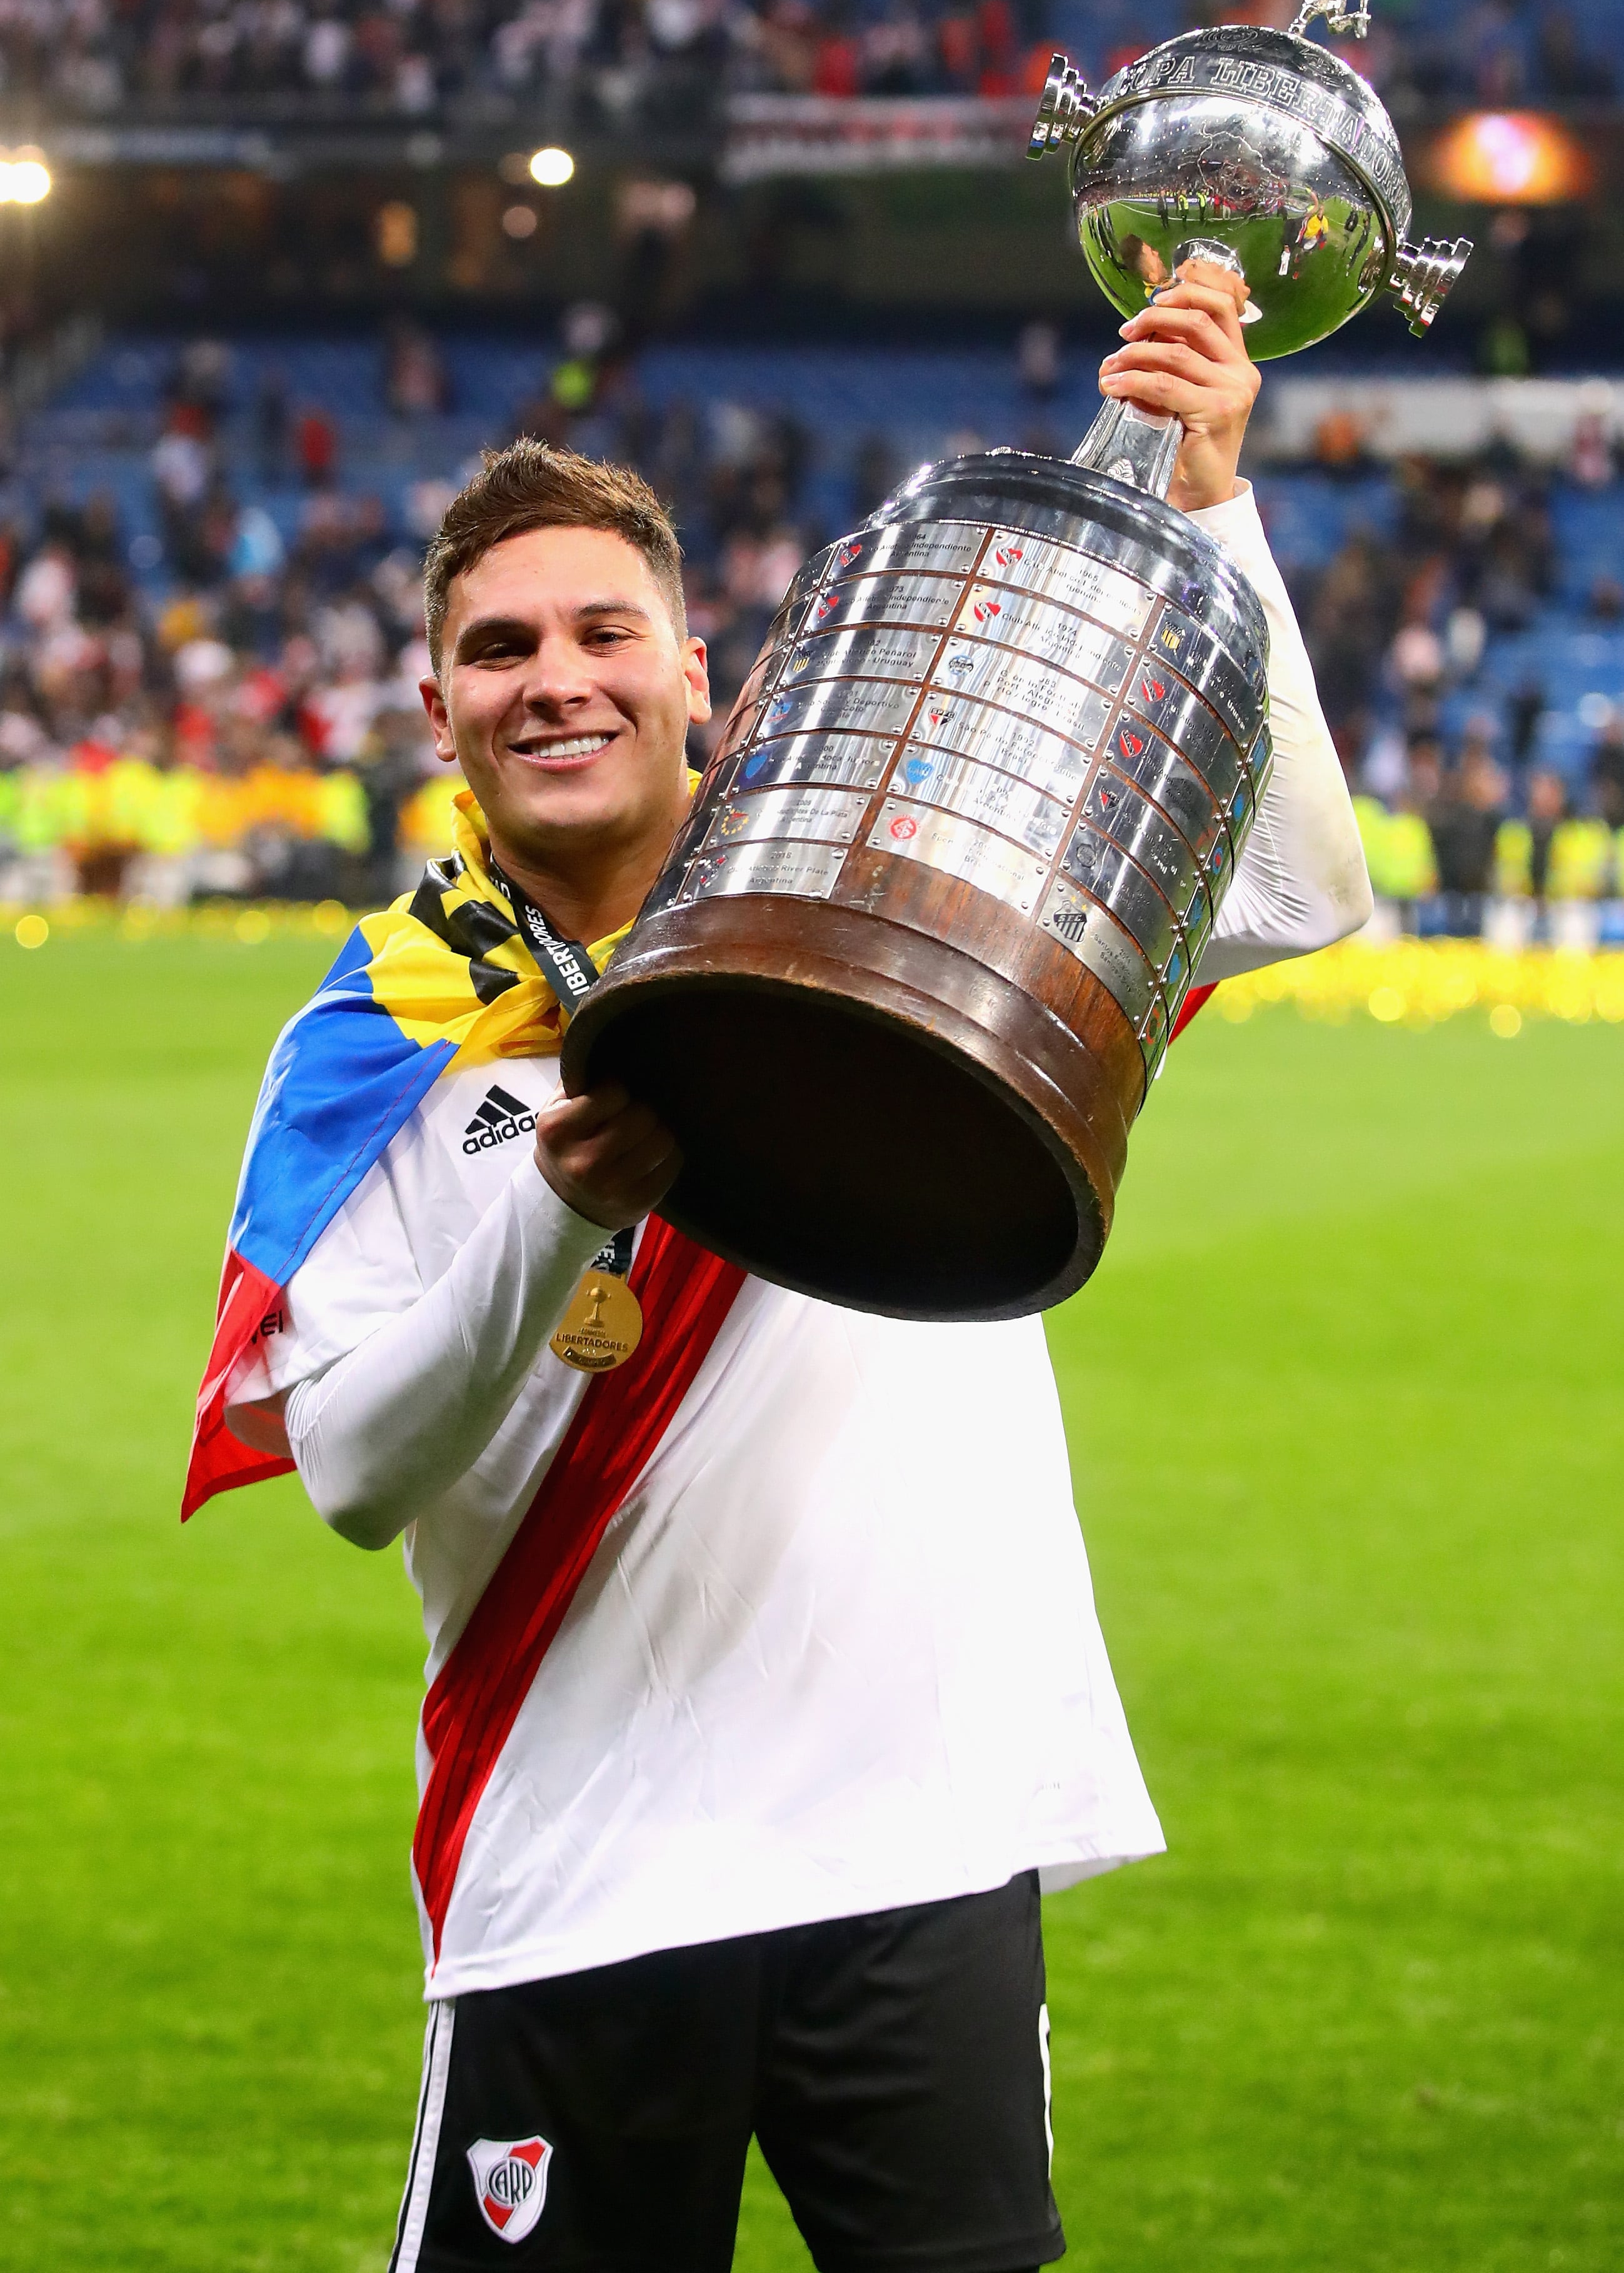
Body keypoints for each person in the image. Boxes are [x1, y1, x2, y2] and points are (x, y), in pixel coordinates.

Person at [185, 266, 1371, 2273]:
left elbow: (1293, 888)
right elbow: (357, 1474)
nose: (553, 677)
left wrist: (1211, 517)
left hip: (919, 1849)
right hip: (583, 1883)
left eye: (600, 632)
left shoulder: (882, 895)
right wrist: (556, 1208)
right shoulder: (375, 1046)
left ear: (694, 670)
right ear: (437, 709)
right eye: (498, 648)